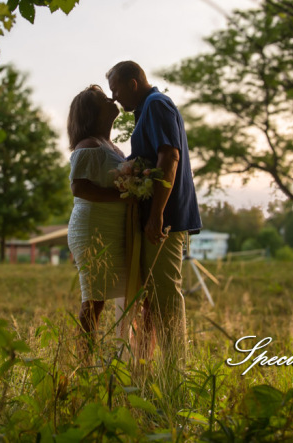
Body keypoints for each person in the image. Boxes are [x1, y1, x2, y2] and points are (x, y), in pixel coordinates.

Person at [106, 61, 201, 362]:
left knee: (166, 294)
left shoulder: (157, 104)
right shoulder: (146, 109)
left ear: (133, 83)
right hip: (157, 216)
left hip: (166, 218)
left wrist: (157, 214)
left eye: (115, 89)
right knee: (155, 295)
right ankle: (148, 366)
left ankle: (176, 370)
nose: (114, 97)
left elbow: (169, 156)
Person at [65, 84, 128, 354]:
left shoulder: (112, 147)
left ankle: (124, 355)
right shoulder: (88, 146)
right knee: (94, 299)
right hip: (93, 229)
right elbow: (79, 187)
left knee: (112, 295)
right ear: (92, 112)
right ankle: (83, 362)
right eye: (104, 99)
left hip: (113, 228)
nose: (111, 99)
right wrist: (124, 197)